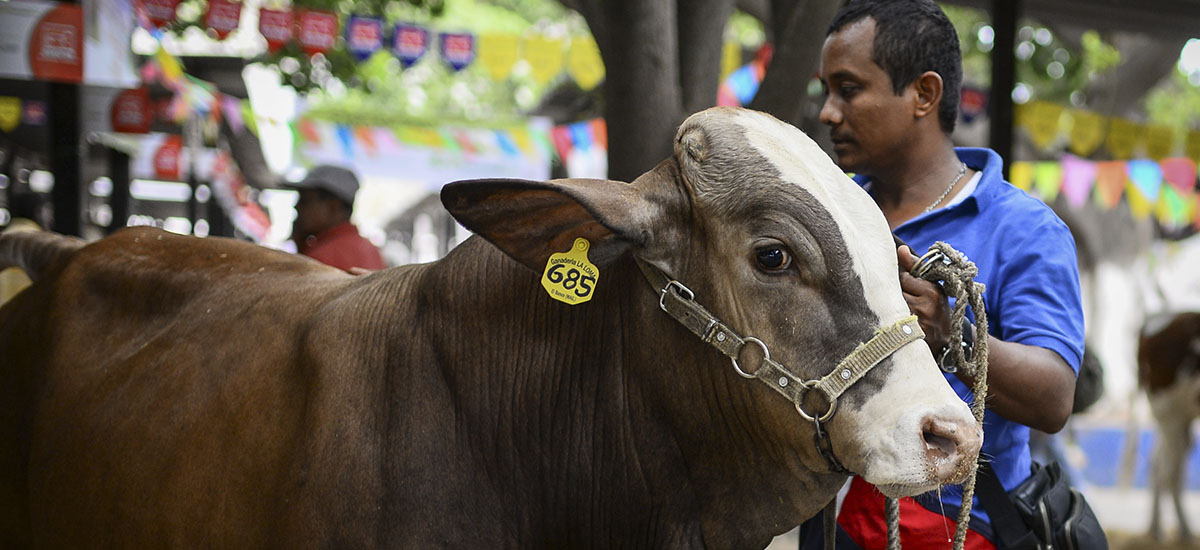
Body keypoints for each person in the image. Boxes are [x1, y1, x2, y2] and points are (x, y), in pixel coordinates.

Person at [799, 1, 1085, 548]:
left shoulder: (1022, 228)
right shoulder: (830, 219)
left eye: (849, 89)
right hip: (834, 526)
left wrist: (949, 330)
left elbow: (1053, 398)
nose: (828, 113)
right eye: (825, 92)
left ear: (924, 95)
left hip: (969, 528)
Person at [285, 164, 385, 273]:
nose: (296, 206)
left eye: (305, 201)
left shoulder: (321, 257)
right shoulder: (370, 249)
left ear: (333, 207)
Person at [1, 191, 53, 304]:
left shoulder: (5, 237)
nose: (50, 217)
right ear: (37, 212)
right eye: (46, 210)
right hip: (26, 315)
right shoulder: (40, 242)